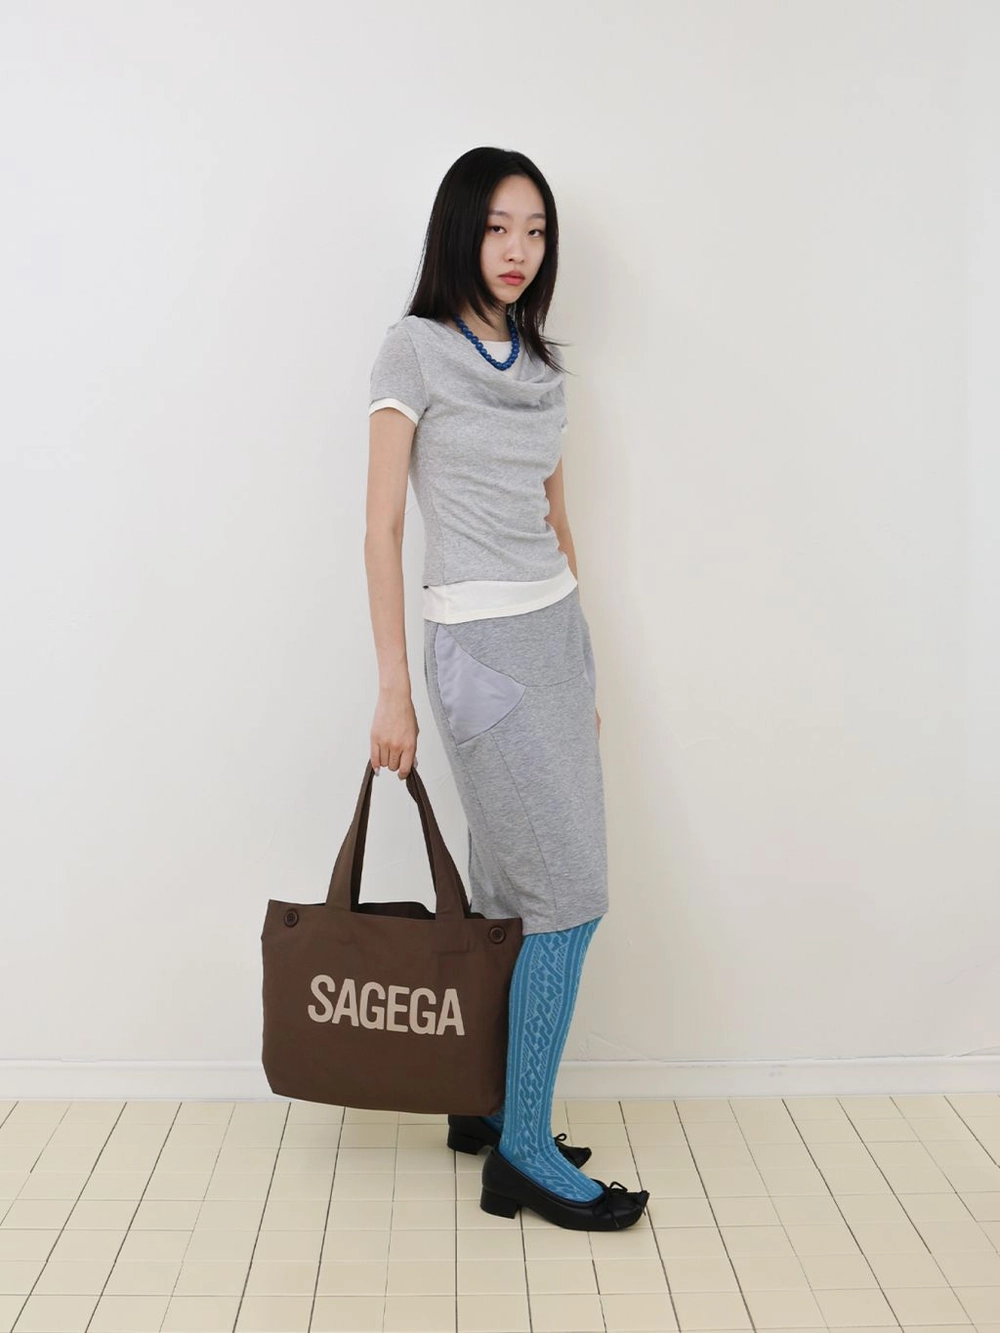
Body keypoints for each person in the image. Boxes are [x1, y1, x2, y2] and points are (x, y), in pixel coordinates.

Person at [364, 147, 648, 1231]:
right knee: (570, 899)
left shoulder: (538, 365)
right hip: (477, 650)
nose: (518, 249)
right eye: (497, 227)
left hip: (553, 638)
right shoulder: (414, 348)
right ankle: (523, 1152)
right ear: (459, 232)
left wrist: (581, 666)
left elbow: (553, 520)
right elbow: (383, 529)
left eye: (534, 230)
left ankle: (486, 1108)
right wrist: (394, 689)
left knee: (509, 894)